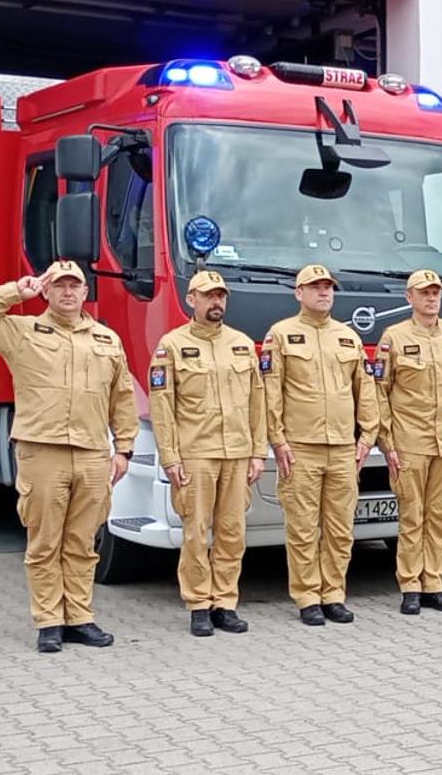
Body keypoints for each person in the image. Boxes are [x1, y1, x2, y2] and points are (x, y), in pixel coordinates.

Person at [0, 261, 137, 653]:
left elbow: (122, 397)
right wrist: (16, 292)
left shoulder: (106, 339)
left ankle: (80, 618)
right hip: (43, 451)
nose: (68, 292)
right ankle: (49, 621)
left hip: (91, 453)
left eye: (75, 286)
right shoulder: (22, 333)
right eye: (59, 286)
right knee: (44, 542)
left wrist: (124, 449)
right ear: (47, 291)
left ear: (86, 292)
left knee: (83, 542)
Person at [261, 264, 381, 627]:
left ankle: (334, 594)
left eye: (328, 287)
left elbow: (366, 390)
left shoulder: (347, 338)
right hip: (301, 447)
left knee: (341, 527)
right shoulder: (281, 335)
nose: (323, 292)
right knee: (302, 527)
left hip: (343, 448)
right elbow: (271, 392)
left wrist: (368, 437)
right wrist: (277, 440)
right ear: (299, 294)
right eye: (315, 287)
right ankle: (308, 596)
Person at [149, 270, 267, 637]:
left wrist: (257, 452)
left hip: (236, 453)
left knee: (232, 532)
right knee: (196, 533)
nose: (217, 302)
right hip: (196, 453)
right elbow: (162, 406)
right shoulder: (171, 345)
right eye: (208, 296)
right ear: (191, 299)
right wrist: (170, 457)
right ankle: (199, 604)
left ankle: (225, 603)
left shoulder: (242, 344)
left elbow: (257, 402)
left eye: (221, 296)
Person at [376, 269, 442, 615]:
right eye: (424, 293)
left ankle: (434, 583)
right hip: (410, 443)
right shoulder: (395, 337)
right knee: (412, 517)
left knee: (440, 518)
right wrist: (387, 443)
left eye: (435, 292)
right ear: (410, 298)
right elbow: (380, 392)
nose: (432, 298)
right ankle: (410, 586)